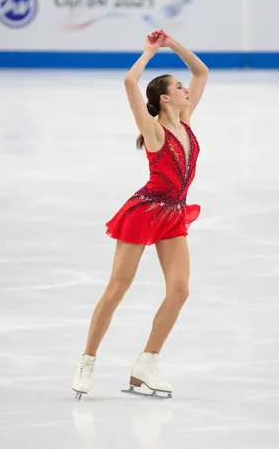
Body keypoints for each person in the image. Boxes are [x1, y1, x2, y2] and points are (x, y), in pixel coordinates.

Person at [72, 29, 209, 398]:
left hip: (174, 214)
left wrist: (175, 44)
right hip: (144, 212)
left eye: (184, 87)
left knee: (179, 290)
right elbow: (130, 82)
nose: (187, 90)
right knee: (118, 288)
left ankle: (146, 364)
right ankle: (88, 360)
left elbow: (202, 73)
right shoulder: (154, 129)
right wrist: (150, 52)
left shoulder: (187, 121)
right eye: (179, 87)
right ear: (165, 99)